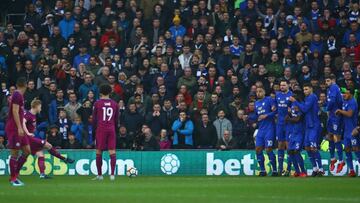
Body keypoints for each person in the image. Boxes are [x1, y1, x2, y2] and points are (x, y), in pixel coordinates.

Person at [22, 99, 74, 179]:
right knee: (48, 145)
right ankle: (64, 159)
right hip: (29, 138)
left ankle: (42, 174)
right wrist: (28, 133)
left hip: (30, 139)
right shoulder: (28, 114)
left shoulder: (33, 115)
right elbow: (23, 122)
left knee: (40, 154)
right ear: (36, 106)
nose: (41, 109)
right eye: (40, 107)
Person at [290, 83, 324, 176]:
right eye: (304, 89)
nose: (305, 91)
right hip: (308, 126)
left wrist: (295, 101)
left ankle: (321, 169)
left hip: (314, 125)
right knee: (307, 147)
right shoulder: (306, 98)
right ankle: (315, 168)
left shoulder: (312, 97)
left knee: (313, 147)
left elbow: (304, 109)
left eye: (306, 89)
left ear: (311, 89)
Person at [5, 77, 30, 186]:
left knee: (27, 150)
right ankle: (13, 178)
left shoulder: (19, 95)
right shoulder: (17, 94)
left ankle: (16, 174)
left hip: (18, 128)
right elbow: (15, 111)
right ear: (26, 85)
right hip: (14, 128)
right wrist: (19, 127)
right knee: (15, 152)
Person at [92, 84, 119, 181]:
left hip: (101, 129)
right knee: (112, 151)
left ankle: (100, 175)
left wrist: (94, 131)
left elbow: (94, 119)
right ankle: (112, 175)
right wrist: (115, 129)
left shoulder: (97, 104)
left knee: (99, 151)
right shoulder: (115, 104)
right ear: (110, 92)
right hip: (111, 129)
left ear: (100, 92)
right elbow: (116, 120)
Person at [254, 86, 277, 176]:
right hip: (261, 129)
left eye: (260, 91)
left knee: (268, 149)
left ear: (264, 92)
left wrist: (266, 115)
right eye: (257, 92)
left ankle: (274, 170)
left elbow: (275, 111)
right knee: (258, 149)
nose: (258, 93)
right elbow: (257, 116)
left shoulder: (269, 100)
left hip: (269, 128)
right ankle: (263, 170)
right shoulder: (256, 103)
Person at [336, 88, 359, 177]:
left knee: (356, 149)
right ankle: (352, 170)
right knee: (347, 149)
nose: (344, 95)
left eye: (346, 93)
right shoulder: (345, 101)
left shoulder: (353, 102)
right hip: (346, 131)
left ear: (351, 94)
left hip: (353, 130)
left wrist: (340, 111)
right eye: (343, 93)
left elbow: (349, 114)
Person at [325, 74, 344, 173]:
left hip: (336, 116)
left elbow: (333, 101)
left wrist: (326, 108)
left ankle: (341, 160)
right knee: (330, 136)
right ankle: (333, 159)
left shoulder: (334, 87)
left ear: (333, 80)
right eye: (326, 81)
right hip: (331, 116)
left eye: (328, 80)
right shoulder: (330, 89)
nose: (326, 83)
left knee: (337, 137)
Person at [285, 90, 306, 177]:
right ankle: (297, 171)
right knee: (290, 151)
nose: (292, 96)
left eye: (294, 95)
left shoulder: (301, 105)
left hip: (300, 132)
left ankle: (303, 171)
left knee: (296, 151)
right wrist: (289, 114)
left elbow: (298, 119)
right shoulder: (292, 105)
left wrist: (289, 119)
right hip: (293, 132)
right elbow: (291, 117)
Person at [275, 80, 292, 175]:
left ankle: (288, 169)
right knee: (280, 144)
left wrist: (290, 112)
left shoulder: (291, 95)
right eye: (281, 85)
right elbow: (275, 107)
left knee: (288, 145)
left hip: (289, 124)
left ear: (288, 85)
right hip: (280, 124)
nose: (282, 87)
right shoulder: (277, 95)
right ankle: (280, 168)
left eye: (284, 85)